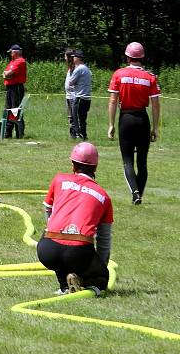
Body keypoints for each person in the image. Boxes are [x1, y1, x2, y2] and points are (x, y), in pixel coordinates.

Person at [37, 142, 112, 296]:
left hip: (47, 250)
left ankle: (64, 286)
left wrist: (52, 228)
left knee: (58, 250)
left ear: (73, 165)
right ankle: (83, 282)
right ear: (95, 168)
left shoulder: (59, 180)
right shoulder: (104, 196)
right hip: (79, 252)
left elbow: (47, 209)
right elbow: (104, 238)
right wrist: (101, 266)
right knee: (102, 277)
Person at [107, 42, 161, 205]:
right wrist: (155, 127)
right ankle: (140, 194)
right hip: (142, 119)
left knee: (127, 160)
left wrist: (111, 124)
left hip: (126, 118)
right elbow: (156, 104)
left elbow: (113, 100)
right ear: (142, 57)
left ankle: (135, 193)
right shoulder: (150, 76)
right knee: (142, 162)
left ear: (127, 57)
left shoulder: (119, 74)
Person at [2, 44, 27, 138]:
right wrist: (7, 74)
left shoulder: (20, 61)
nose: (10, 54)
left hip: (16, 88)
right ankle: (7, 134)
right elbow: (5, 73)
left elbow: (8, 73)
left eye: (11, 52)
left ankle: (19, 134)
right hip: (10, 88)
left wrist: (7, 74)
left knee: (15, 110)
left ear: (15, 52)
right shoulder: (12, 62)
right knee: (8, 109)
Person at [68, 49, 92, 140]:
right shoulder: (86, 68)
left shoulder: (79, 69)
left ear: (77, 58)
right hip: (87, 98)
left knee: (76, 117)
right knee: (82, 118)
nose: (73, 58)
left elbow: (70, 82)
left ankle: (79, 135)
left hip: (79, 97)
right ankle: (84, 136)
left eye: (74, 57)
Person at [64, 48, 76, 138]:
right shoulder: (69, 67)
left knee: (73, 117)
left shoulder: (75, 67)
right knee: (70, 116)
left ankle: (75, 135)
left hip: (73, 96)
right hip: (68, 96)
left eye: (65, 56)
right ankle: (72, 134)